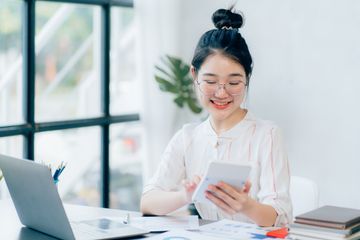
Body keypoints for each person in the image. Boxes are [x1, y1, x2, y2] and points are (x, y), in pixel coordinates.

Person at [140, 7, 292, 227]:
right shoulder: (188, 137)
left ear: (247, 78)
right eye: (211, 81)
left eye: (233, 83)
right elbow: (148, 201)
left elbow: (281, 217)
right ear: (194, 75)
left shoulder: (267, 135)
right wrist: (185, 195)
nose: (222, 93)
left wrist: (245, 205)